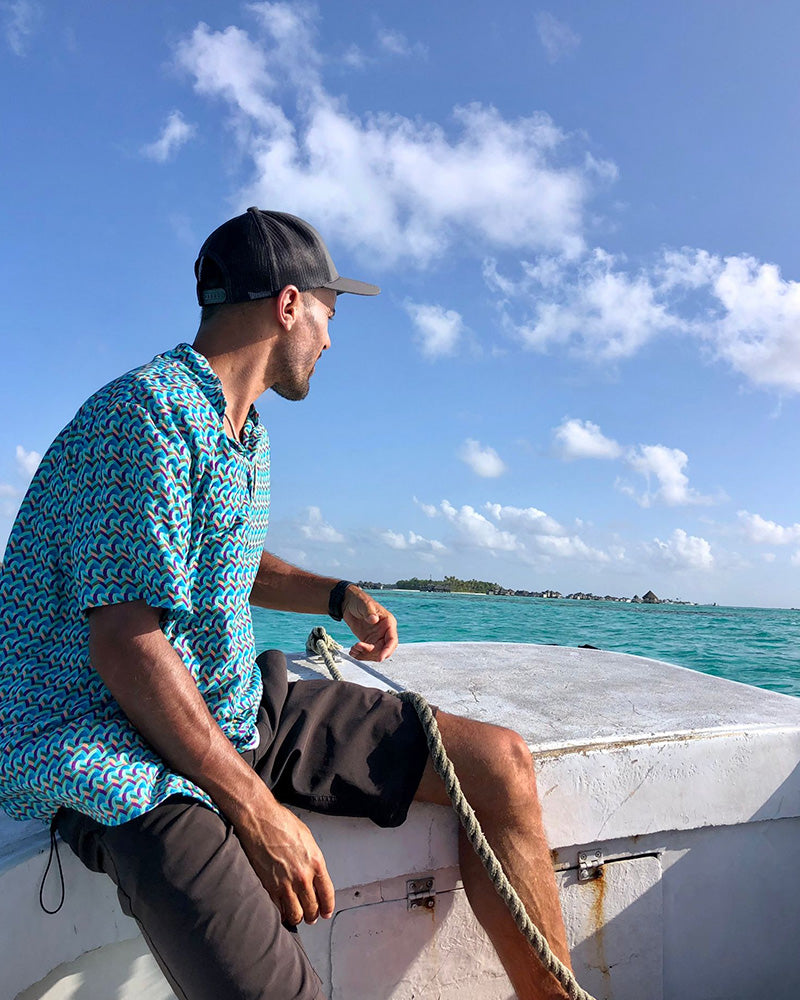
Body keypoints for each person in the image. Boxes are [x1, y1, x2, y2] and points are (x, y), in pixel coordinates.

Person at [0, 208, 572, 1000]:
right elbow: (126, 643)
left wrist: (338, 596)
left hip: (227, 710)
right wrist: (256, 811)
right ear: (290, 304)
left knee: (497, 766)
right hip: (113, 745)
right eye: (331, 316)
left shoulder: (243, 431)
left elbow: (219, 559)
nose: (332, 341)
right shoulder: (146, 416)